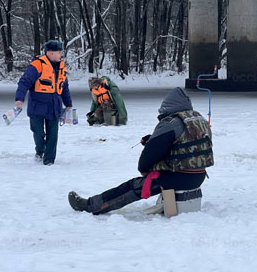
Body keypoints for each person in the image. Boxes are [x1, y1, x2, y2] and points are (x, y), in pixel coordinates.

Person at [69, 88, 213, 215]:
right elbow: (186, 143)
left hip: (177, 178)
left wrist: (144, 170)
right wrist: (152, 139)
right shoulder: (197, 119)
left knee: (133, 186)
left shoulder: (170, 123)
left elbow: (149, 156)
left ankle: (90, 205)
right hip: (198, 176)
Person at [14, 40, 73, 165]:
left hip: (54, 107)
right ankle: (40, 150)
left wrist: (68, 104)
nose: (61, 54)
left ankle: (49, 160)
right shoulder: (37, 65)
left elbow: (65, 88)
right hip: (37, 107)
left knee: (53, 135)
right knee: (38, 132)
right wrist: (19, 99)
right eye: (59, 52)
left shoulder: (62, 68)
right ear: (50, 53)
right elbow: (24, 82)